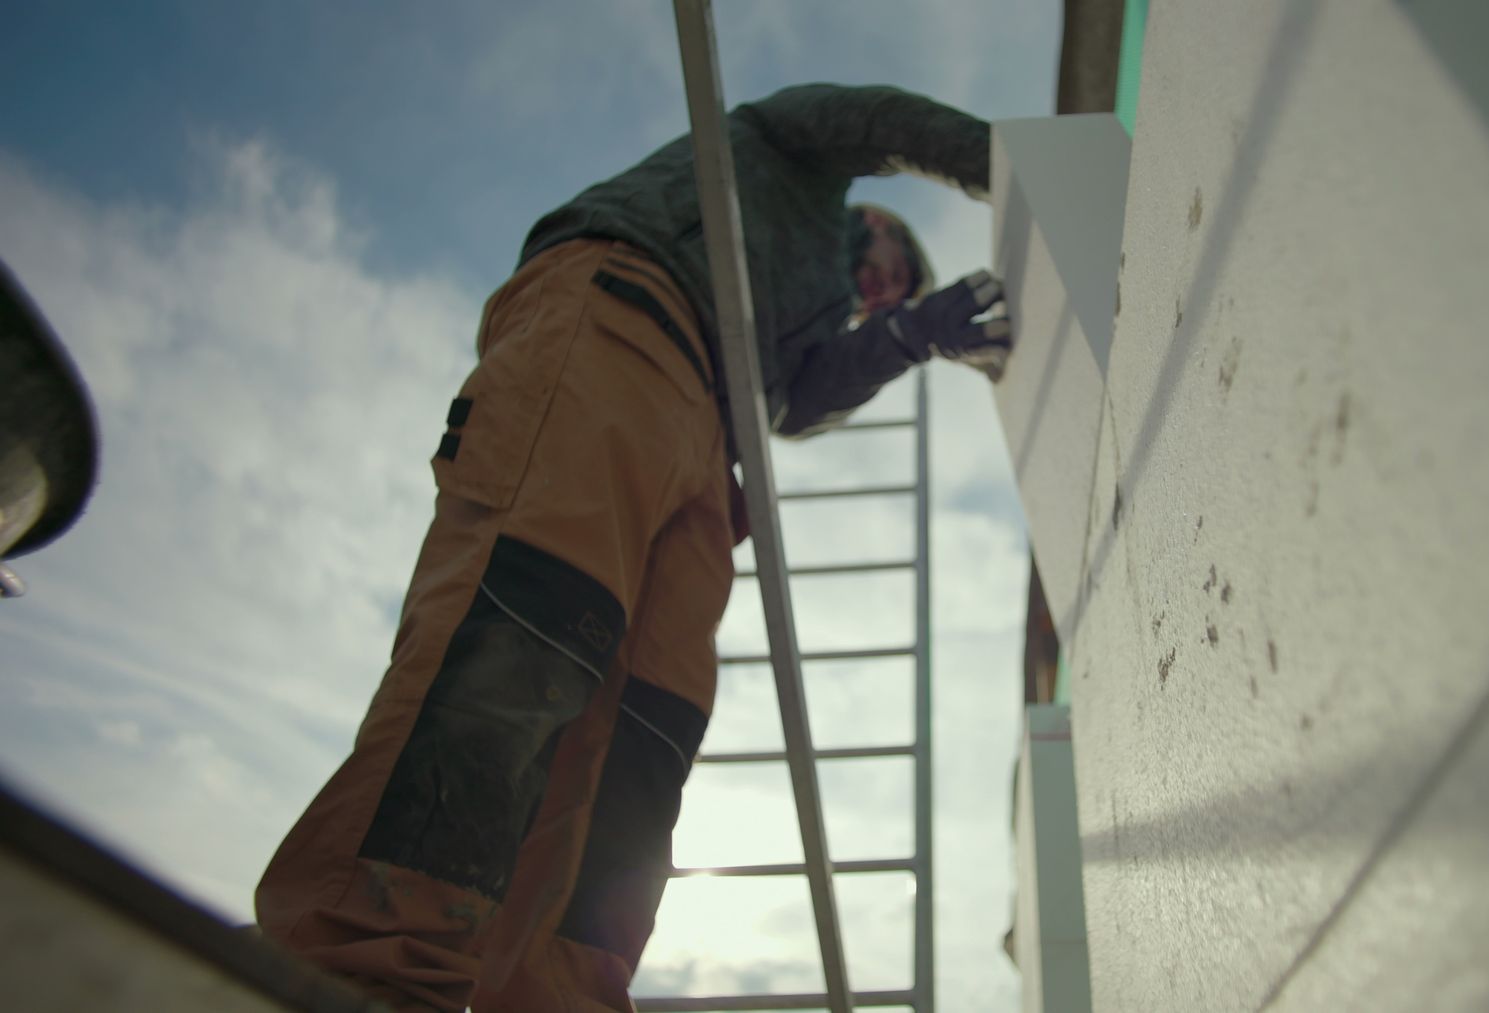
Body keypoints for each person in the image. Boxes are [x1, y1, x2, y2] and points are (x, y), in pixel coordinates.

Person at [255, 83, 1011, 1012]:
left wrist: (905, 337)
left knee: (642, 741)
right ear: (869, 218)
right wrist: (1003, 168)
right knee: (522, 630)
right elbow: (874, 122)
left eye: (896, 292)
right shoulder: (786, 155)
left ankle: (553, 995)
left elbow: (799, 405)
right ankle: (366, 968)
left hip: (710, 440)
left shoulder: (805, 328)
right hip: (624, 308)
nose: (888, 284)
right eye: (896, 263)